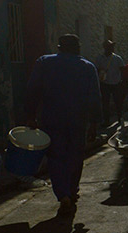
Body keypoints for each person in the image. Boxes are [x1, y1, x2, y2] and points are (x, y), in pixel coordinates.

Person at [24, 34, 102, 217]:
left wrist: (30, 116)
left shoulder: (44, 62)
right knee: (75, 155)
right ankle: (72, 189)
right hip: (78, 119)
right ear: (78, 48)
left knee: (56, 156)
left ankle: (62, 194)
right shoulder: (87, 67)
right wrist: (94, 124)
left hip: (52, 118)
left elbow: (32, 90)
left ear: (59, 47)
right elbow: (95, 98)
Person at [93, 39, 126, 126]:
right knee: (105, 103)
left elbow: (123, 70)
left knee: (118, 102)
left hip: (116, 83)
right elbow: (96, 69)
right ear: (105, 48)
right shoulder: (100, 58)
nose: (111, 48)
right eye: (110, 46)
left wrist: (122, 82)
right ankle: (106, 120)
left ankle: (120, 118)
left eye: (112, 46)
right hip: (105, 83)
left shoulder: (117, 58)